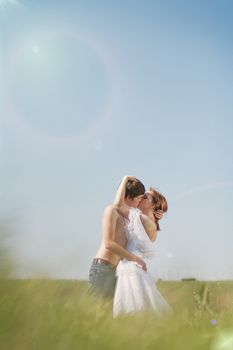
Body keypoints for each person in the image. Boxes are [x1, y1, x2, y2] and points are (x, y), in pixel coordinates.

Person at [88, 176, 163, 301]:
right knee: (92, 309)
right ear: (129, 197)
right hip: (103, 268)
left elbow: (150, 239)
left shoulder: (129, 218)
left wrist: (155, 218)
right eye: (139, 198)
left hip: (115, 270)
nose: (140, 201)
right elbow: (108, 244)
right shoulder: (112, 210)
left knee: (104, 314)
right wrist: (126, 179)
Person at [113, 176, 171, 317]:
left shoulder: (138, 217)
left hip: (130, 267)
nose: (141, 196)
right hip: (134, 266)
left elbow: (117, 205)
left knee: (133, 309)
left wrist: (125, 178)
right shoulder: (142, 219)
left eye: (145, 196)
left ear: (153, 205)